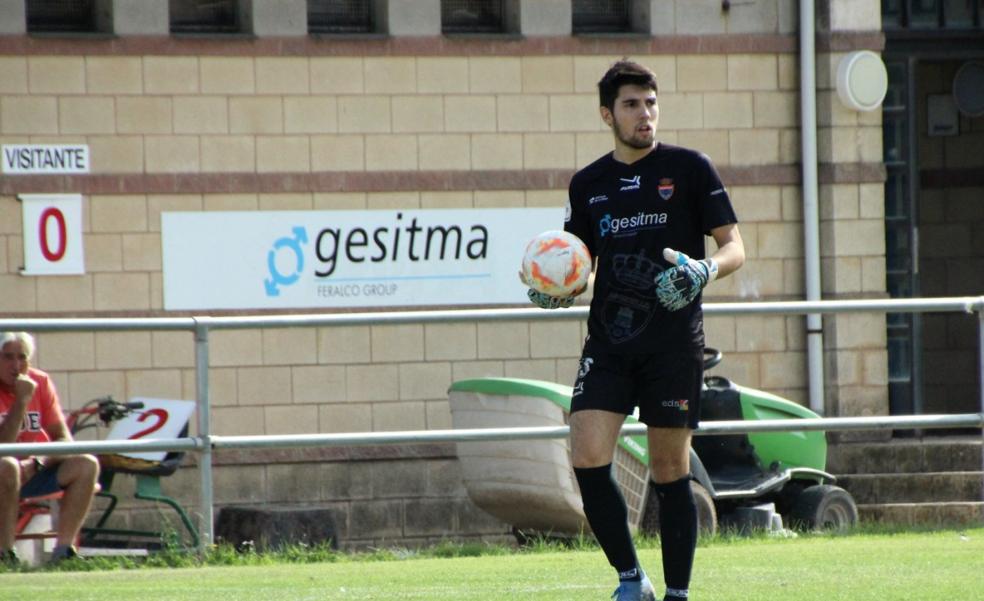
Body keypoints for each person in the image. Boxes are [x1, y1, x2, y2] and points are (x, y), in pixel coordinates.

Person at [523, 60, 745, 600]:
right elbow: (582, 262)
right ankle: (630, 579)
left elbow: (734, 246)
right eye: (631, 104)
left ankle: (677, 594)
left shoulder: (691, 168)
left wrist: (704, 271)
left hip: (673, 344)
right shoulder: (589, 184)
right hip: (610, 344)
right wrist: (562, 287)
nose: (644, 114)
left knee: (670, 470)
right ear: (607, 114)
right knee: (586, 454)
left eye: (650, 102)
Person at [0, 332, 100, 565]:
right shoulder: (25, 392)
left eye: (22, 358)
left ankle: (64, 552)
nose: (16, 366)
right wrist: (21, 401)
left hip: (35, 468)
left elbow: (63, 438)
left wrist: (38, 462)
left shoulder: (40, 381)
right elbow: (4, 445)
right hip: (4, 468)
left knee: (86, 463)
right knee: (8, 465)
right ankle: (6, 553)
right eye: (7, 357)